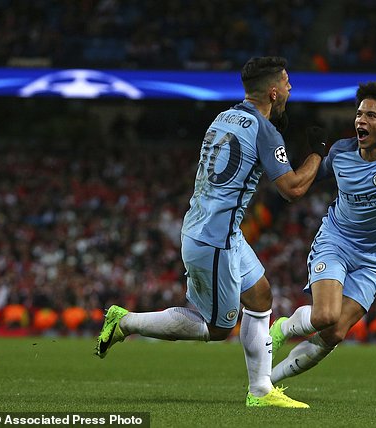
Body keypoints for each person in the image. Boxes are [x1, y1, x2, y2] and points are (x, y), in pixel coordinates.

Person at [95, 56, 328, 408]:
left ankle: (261, 391)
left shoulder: (222, 118)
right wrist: (316, 155)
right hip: (214, 239)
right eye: (288, 84)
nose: (292, 90)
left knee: (261, 296)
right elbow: (292, 189)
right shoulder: (265, 130)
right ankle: (126, 322)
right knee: (217, 329)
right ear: (275, 92)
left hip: (220, 231)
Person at [269, 82, 376, 384]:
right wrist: (311, 156)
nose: (361, 120)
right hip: (336, 241)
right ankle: (282, 329)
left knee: (334, 332)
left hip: (375, 256)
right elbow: (304, 181)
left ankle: (267, 382)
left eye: (371, 116)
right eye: (360, 114)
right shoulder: (341, 152)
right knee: (324, 316)